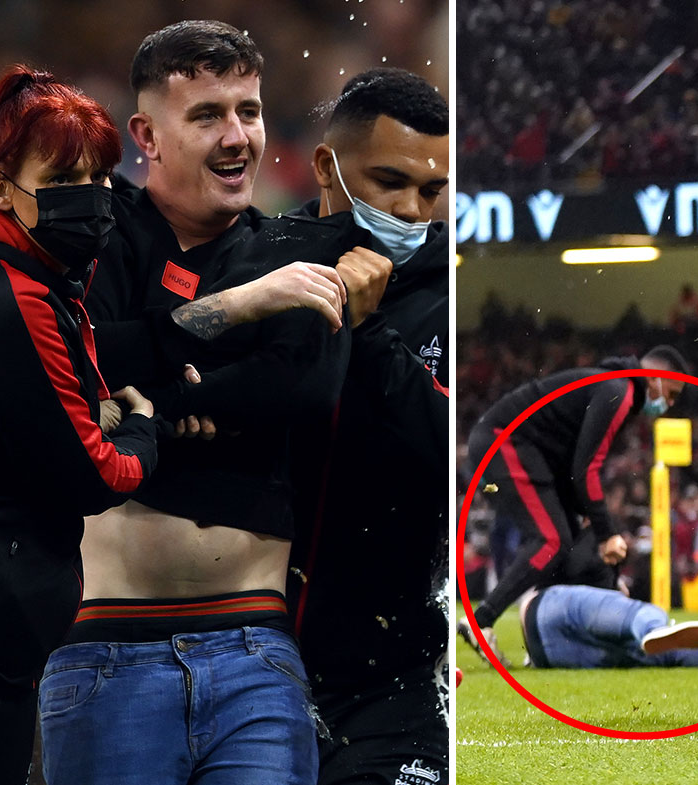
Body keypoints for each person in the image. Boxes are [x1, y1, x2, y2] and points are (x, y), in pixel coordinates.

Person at [37, 22, 376, 785]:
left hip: (255, 648)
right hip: (105, 650)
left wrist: (157, 397)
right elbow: (71, 367)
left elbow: (305, 388)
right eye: (207, 115)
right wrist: (247, 309)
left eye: (248, 111)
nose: (238, 137)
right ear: (146, 134)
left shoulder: (300, 249)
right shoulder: (93, 235)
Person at [0, 65, 160, 785]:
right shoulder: (14, 296)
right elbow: (93, 471)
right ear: (1, 189)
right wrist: (143, 428)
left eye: (102, 176)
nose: (96, 197)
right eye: (66, 175)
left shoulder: (15, 273)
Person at [285, 68, 450, 785]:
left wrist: (371, 330)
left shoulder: (449, 298)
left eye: (432, 190)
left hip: (395, 681)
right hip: (251, 664)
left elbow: (444, 450)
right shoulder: (260, 267)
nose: (414, 210)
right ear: (327, 167)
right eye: (390, 182)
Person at [462, 346, 691, 665]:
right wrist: (606, 533)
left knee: (565, 541)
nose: (669, 405)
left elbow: (572, 465)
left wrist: (585, 518)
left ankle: (542, 640)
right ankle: (481, 621)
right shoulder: (619, 390)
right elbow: (585, 469)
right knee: (551, 541)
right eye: (672, 393)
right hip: (505, 442)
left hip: (519, 448)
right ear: (654, 378)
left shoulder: (613, 386)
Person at [518, 585, 698, 669]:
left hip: (547, 654)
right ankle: (653, 629)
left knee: (671, 653)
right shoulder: (594, 532)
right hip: (554, 606)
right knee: (640, 613)